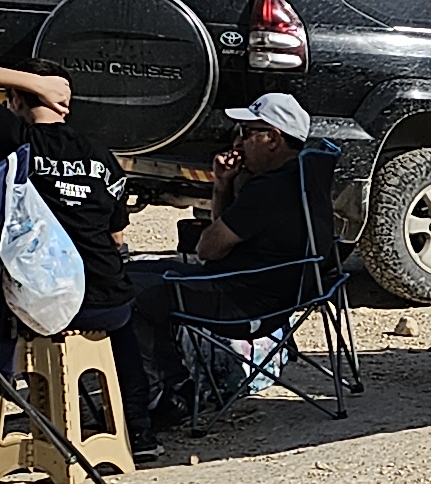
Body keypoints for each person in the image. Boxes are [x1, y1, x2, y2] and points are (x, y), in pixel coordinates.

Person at [0, 60, 156, 434]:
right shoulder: (100, 155)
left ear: (15, 100)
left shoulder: (15, 140)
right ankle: (137, 429)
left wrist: (34, 85)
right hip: (106, 304)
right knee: (121, 317)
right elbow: (116, 237)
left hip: (41, 303)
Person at [121, 93, 331, 443]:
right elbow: (218, 245)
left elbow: (208, 249)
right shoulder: (304, 173)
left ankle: (164, 395)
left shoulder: (270, 188)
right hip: (276, 292)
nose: (237, 142)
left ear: (273, 138)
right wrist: (223, 185)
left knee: (127, 291)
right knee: (138, 274)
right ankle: (172, 384)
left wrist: (229, 202)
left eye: (246, 133)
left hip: (243, 299)